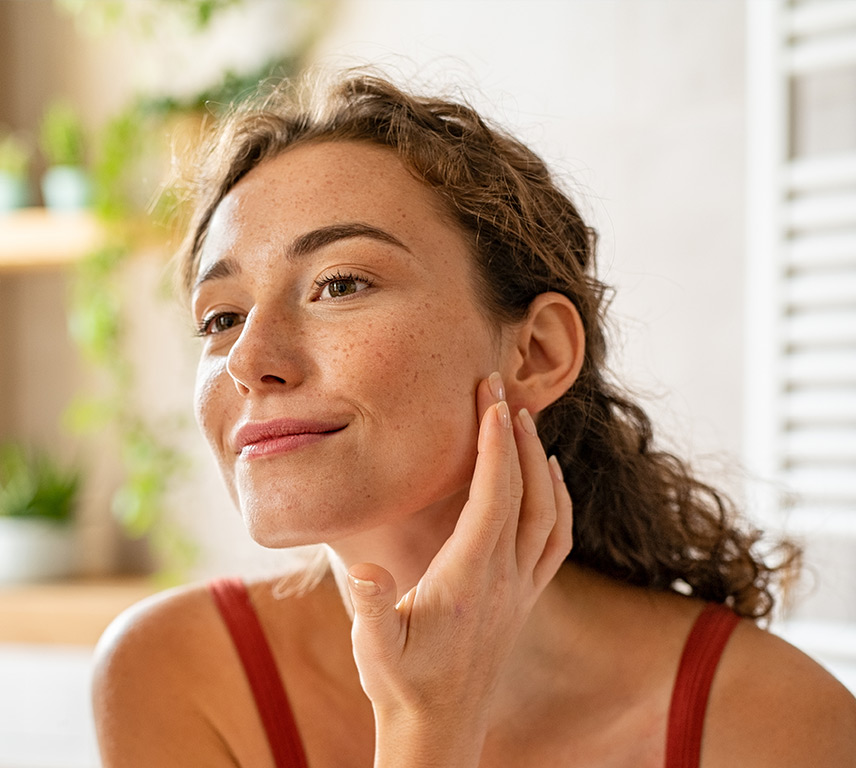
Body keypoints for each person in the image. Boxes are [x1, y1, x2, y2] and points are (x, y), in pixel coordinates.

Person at [91, 70, 856, 767]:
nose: (248, 358)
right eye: (220, 317)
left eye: (340, 283)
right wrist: (431, 728)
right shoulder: (177, 674)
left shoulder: (778, 724)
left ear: (537, 354)